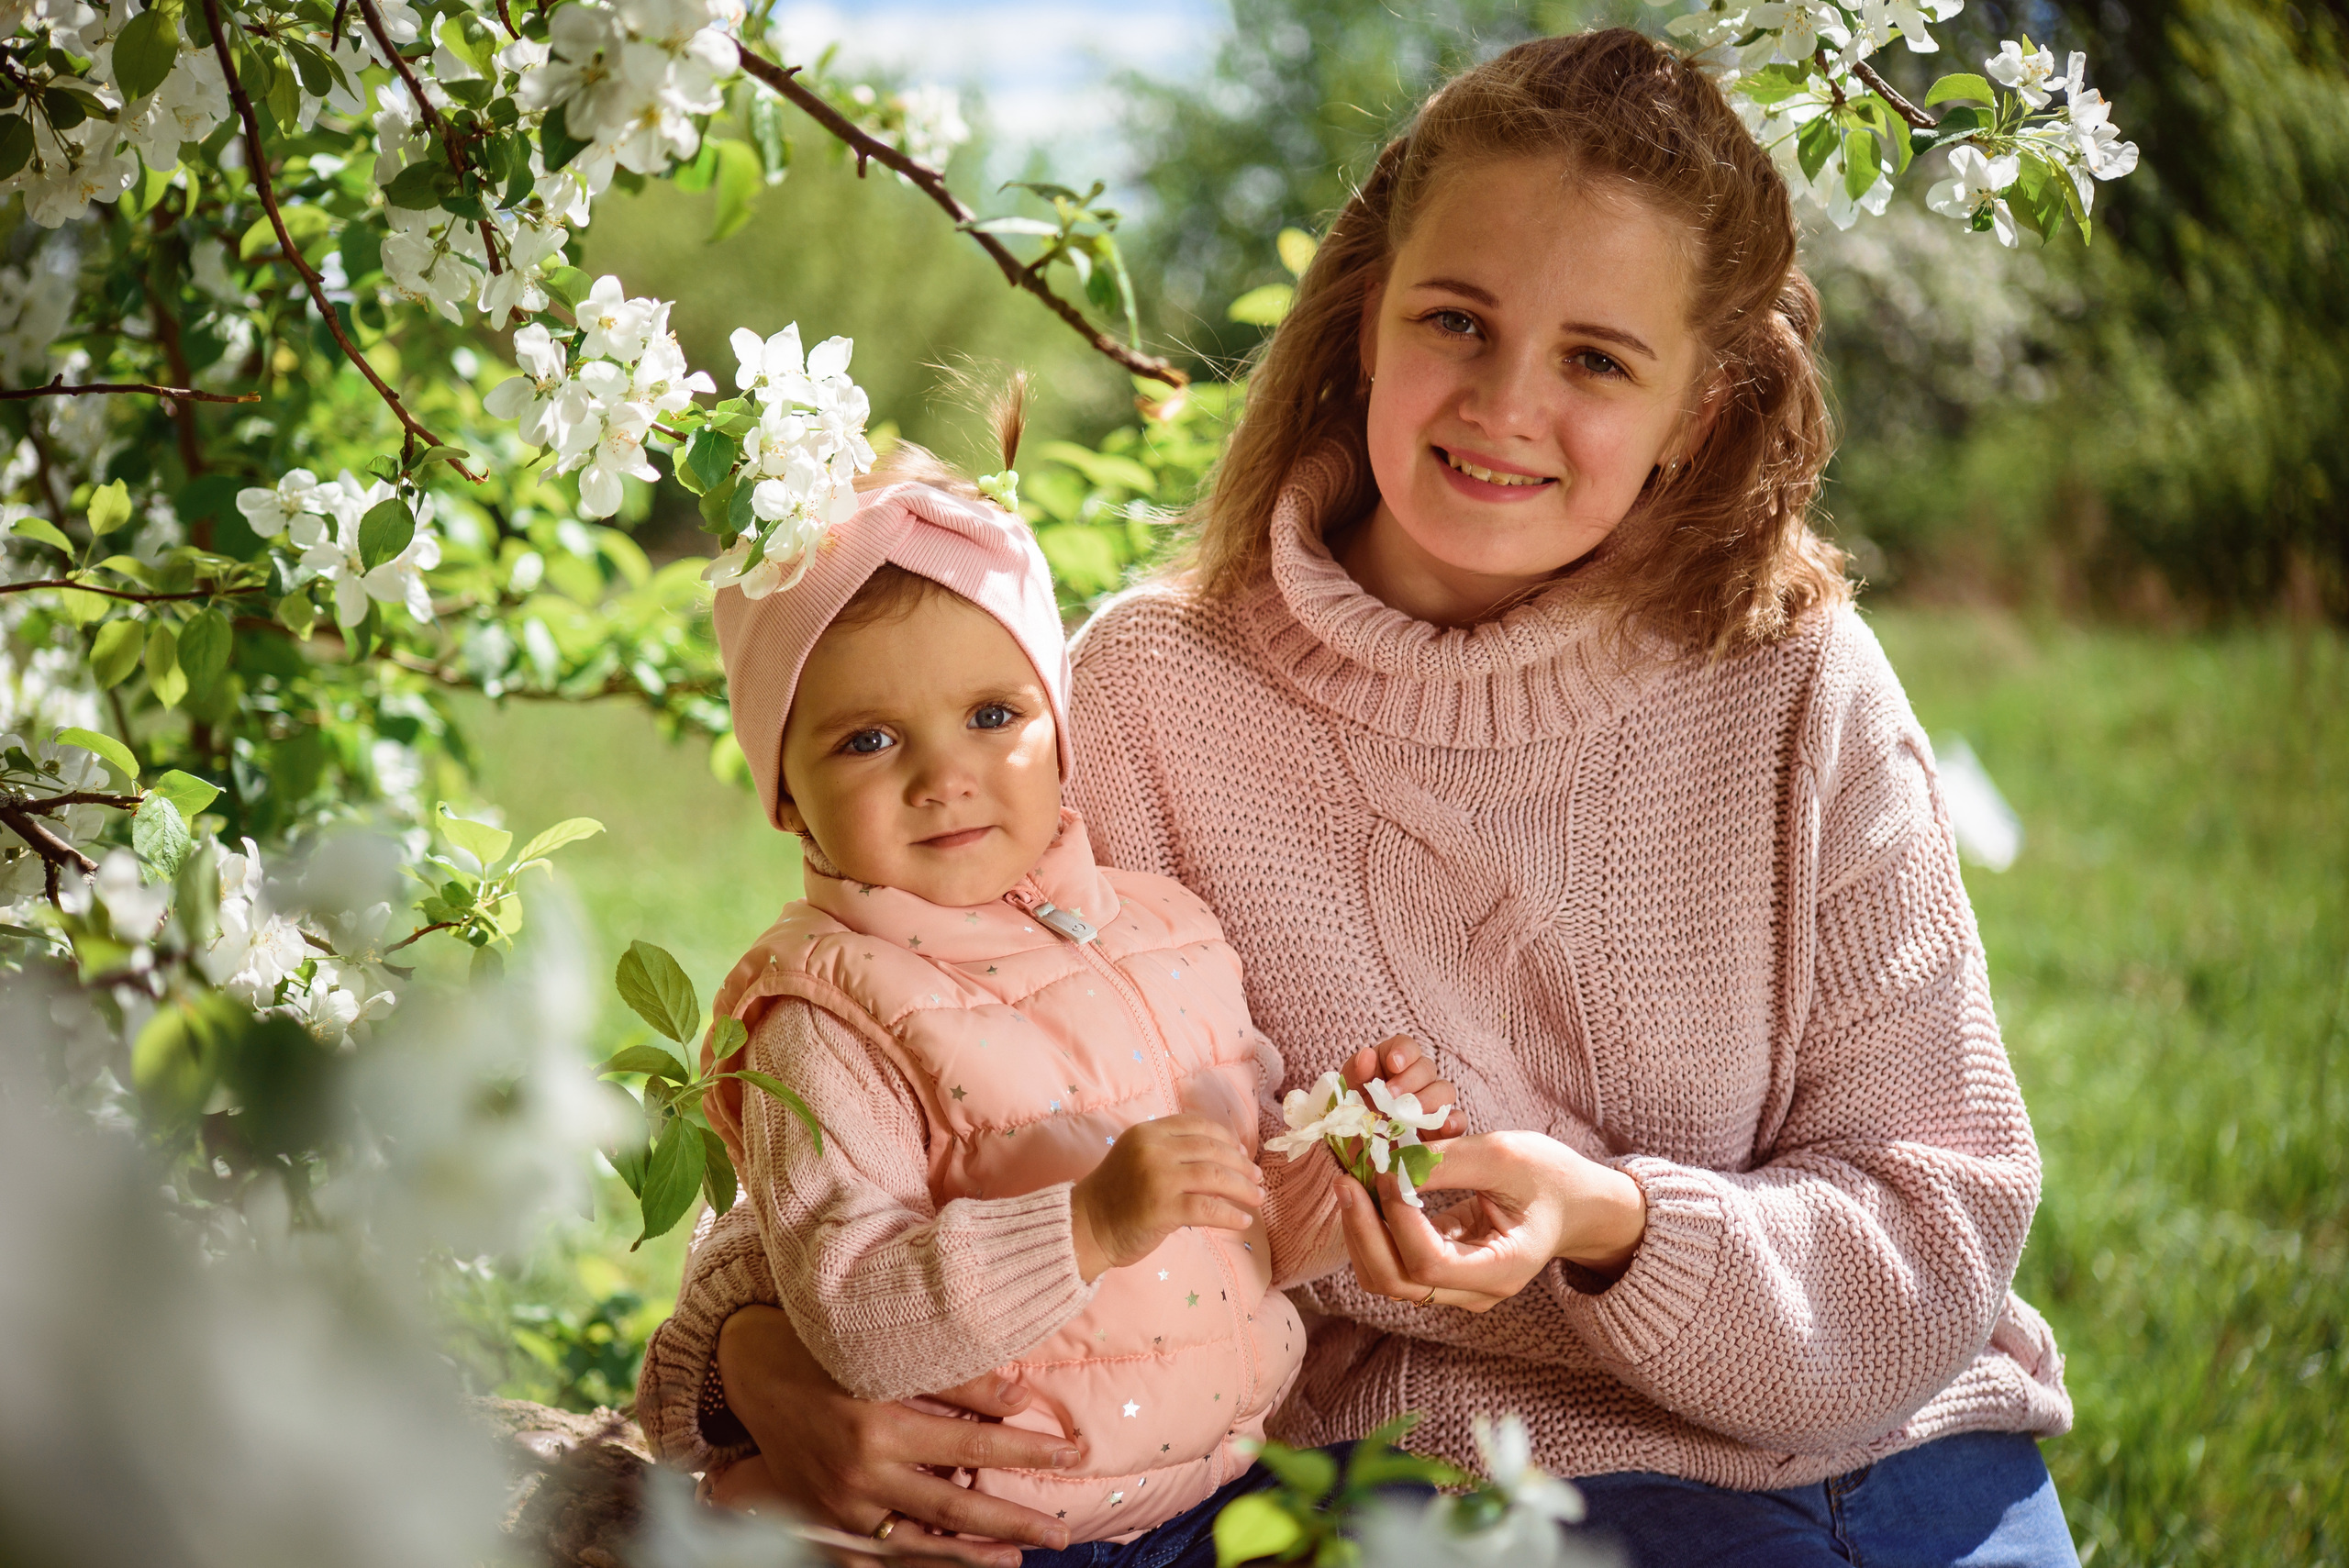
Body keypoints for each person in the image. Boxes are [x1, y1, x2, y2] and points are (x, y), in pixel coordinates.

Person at [640, 28, 2078, 1568]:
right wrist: (744, 1357)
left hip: (1859, 1456)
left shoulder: (1800, 689)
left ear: (1704, 412)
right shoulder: (1147, 694)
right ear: (1365, 324)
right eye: (1456, 320)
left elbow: (1932, 1229)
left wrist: (1611, 1221)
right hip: (1397, 1475)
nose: (1506, 404)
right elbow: (936, 1075)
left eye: (1596, 358)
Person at [689, 445, 1464, 1562]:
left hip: (1210, 1487)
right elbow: (850, 1313)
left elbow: (1239, 1235)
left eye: (994, 714)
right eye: (867, 739)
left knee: (1422, 1511)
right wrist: (1085, 1221)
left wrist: (1339, 1156)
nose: (942, 774)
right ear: (784, 792)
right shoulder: (824, 1013)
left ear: (1060, 720)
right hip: (993, 1521)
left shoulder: (1170, 932)